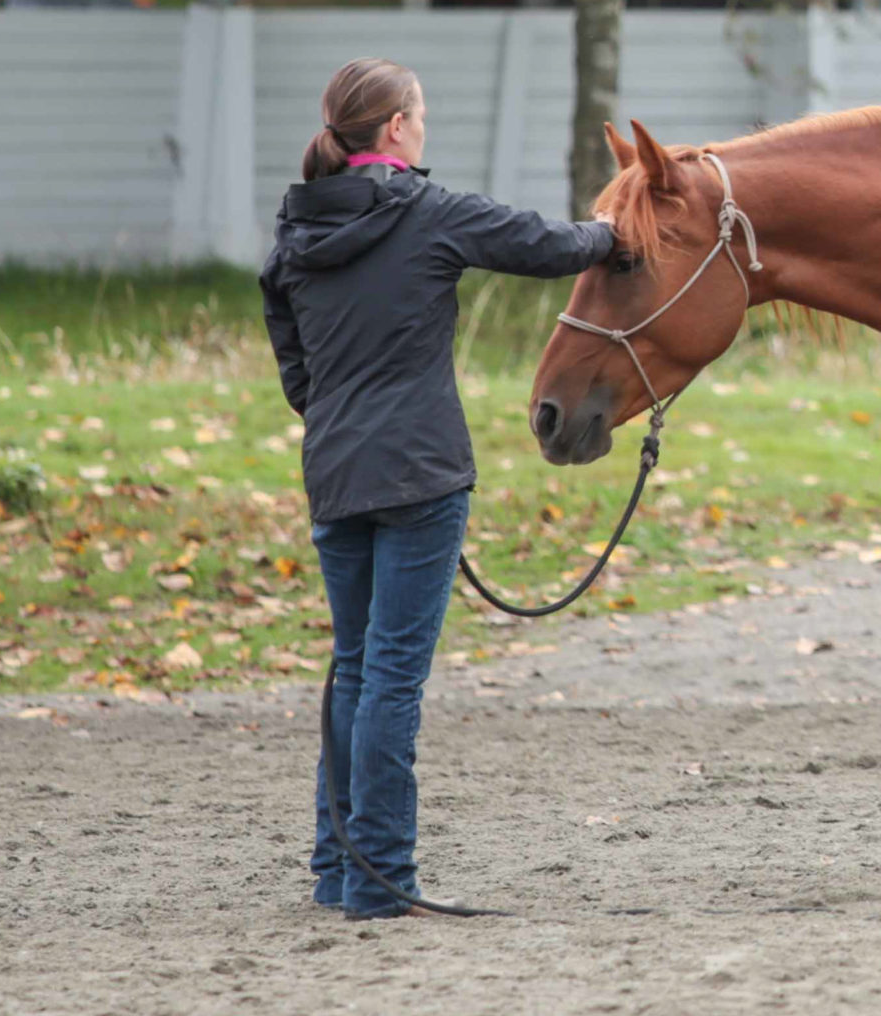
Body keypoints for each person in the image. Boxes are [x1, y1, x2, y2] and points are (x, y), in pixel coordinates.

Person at [260, 57, 616, 918]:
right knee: (388, 678)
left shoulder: (294, 237)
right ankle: (382, 879)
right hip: (421, 476)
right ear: (394, 131)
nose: (424, 129)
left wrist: (352, 421)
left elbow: (299, 379)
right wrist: (622, 228)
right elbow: (553, 244)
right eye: (419, 116)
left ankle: (337, 870)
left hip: (336, 475)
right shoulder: (429, 212)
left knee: (352, 668)